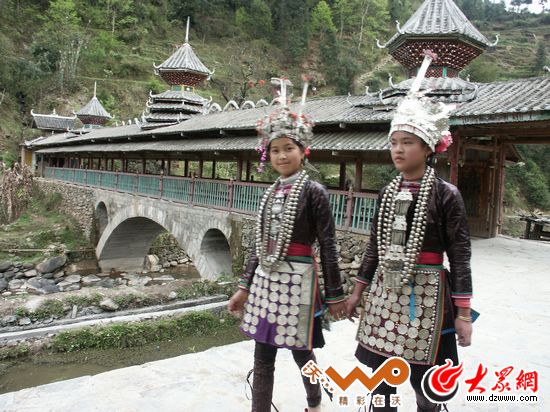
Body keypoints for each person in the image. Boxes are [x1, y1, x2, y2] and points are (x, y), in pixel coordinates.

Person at [346, 53, 474, 412]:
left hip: (429, 295)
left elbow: (460, 257)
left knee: (426, 385)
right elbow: (375, 247)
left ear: (429, 147)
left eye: (408, 142)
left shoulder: (446, 194)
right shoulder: (388, 192)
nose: (398, 149)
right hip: (386, 292)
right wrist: (357, 292)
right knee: (381, 381)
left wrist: (463, 315)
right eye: (394, 142)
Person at [228, 80, 346, 412]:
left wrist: (335, 295)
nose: (282, 155)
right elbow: (259, 244)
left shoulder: (314, 192)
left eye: (288, 148)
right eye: (275, 150)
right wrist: (244, 287)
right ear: (268, 154)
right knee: (262, 356)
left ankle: (315, 401)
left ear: (303, 150)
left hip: (299, 281)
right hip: (266, 281)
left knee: (301, 353)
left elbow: (328, 245)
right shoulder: (270, 193)